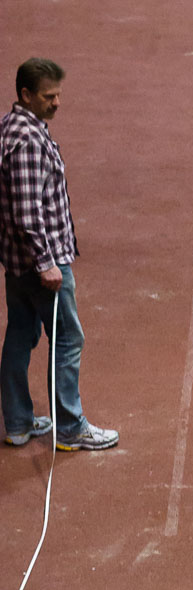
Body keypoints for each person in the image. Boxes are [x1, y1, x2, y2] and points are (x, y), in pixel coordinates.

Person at [0, 58, 118, 449]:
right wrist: (47, 262)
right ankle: (69, 427)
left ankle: (17, 423)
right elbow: (28, 212)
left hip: (16, 261)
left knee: (20, 333)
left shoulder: (10, 128)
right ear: (26, 95)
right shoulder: (30, 141)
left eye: (59, 95)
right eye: (49, 96)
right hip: (40, 264)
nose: (57, 103)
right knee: (68, 338)